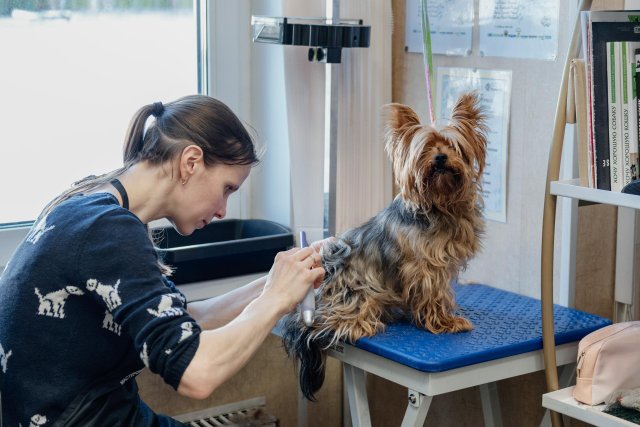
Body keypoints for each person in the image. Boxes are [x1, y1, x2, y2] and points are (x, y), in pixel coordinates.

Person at [0, 95, 325, 426]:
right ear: (191, 162)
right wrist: (275, 299)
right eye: (227, 188)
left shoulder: (90, 202)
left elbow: (185, 318)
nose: (222, 210)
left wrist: (279, 282)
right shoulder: (109, 229)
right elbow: (197, 374)